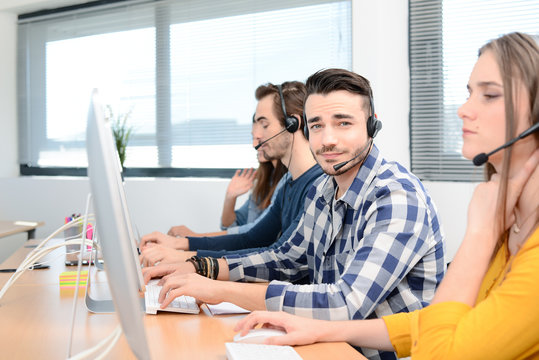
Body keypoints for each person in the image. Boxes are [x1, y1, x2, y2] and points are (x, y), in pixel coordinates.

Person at [234, 32, 539, 360]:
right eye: (469, 93)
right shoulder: (512, 222)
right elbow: (431, 323)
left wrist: (480, 233)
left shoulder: (414, 199)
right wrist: (323, 329)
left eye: (489, 95)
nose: (463, 109)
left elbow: (439, 352)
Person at [142, 68, 446, 360]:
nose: (328, 139)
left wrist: (218, 289)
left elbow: (344, 303)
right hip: (329, 345)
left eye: (343, 123)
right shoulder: (324, 190)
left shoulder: (396, 196)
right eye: (316, 126)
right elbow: (284, 259)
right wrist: (200, 267)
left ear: (372, 126)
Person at [139, 81, 323, 266]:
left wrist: (185, 258)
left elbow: (278, 255)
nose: (255, 138)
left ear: (293, 124)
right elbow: (251, 238)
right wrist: (180, 244)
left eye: (264, 124)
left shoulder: (319, 185)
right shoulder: (288, 182)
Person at [167, 147, 287, 238]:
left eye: (265, 127)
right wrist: (230, 198)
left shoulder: (287, 182)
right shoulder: (266, 181)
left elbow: (256, 232)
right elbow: (232, 226)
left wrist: (195, 237)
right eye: (253, 138)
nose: (255, 144)